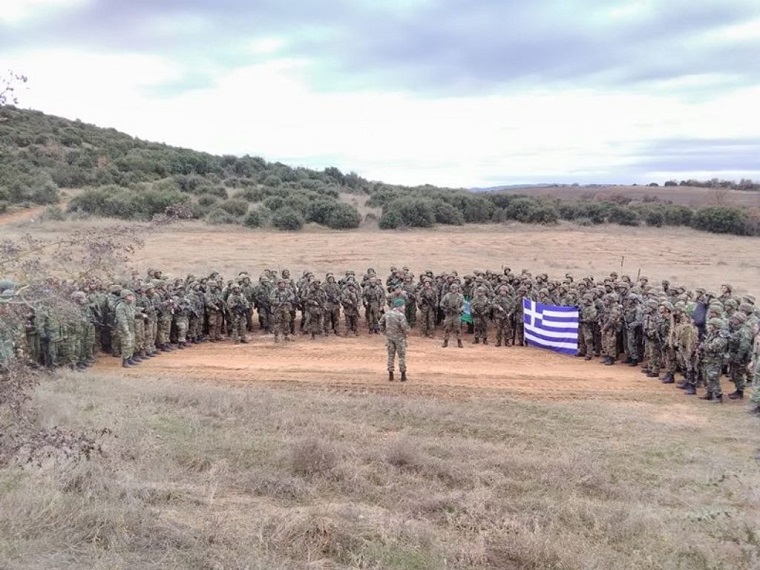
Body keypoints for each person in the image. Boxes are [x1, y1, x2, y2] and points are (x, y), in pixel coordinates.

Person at [380, 297, 409, 381]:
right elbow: (404, 327)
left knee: (391, 356)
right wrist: (405, 335)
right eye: (403, 306)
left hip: (389, 338)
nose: (404, 308)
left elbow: (381, 324)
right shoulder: (401, 315)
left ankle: (390, 375)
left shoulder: (387, 314)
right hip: (399, 338)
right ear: (399, 306)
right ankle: (403, 375)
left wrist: (385, 332)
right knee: (401, 356)